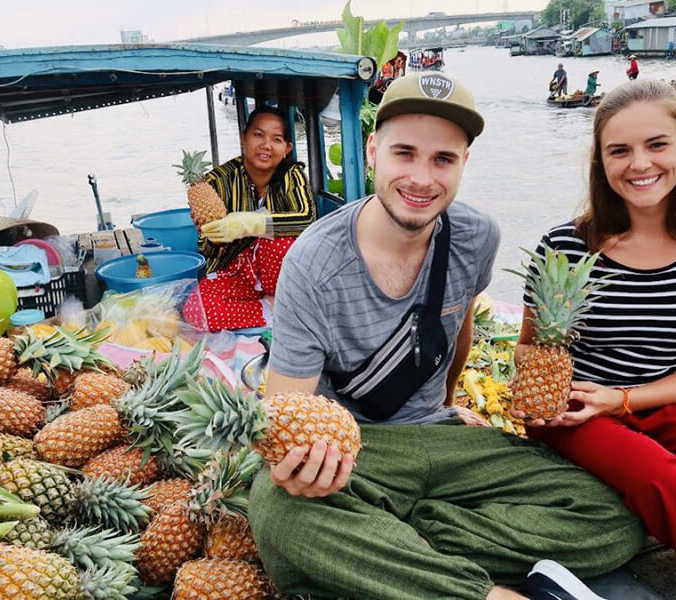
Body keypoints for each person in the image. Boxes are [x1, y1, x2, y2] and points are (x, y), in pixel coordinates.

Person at [248, 72, 644, 600]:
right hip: (361, 451)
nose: (421, 178)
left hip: (446, 438)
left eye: (443, 159)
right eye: (405, 153)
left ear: (463, 165)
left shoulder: (477, 236)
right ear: (372, 151)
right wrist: (299, 471)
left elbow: (457, 328)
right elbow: (284, 417)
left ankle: (397, 546)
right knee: (276, 508)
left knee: (611, 521)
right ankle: (486, 593)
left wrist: (451, 403)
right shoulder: (312, 264)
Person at [515, 79, 676, 600]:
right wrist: (554, 395)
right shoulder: (564, 245)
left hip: (667, 398)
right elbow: (528, 348)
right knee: (663, 478)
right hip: (577, 407)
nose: (639, 164)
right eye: (619, 150)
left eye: (657, 144)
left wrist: (623, 400)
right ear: (600, 162)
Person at [182, 106, 315, 331]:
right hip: (238, 270)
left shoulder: (292, 176)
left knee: (279, 240)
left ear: (287, 148)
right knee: (197, 311)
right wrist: (215, 238)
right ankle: (273, 309)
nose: (266, 145)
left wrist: (250, 223)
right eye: (258, 135)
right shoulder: (216, 182)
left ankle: (282, 301)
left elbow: (307, 217)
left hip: (283, 274)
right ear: (243, 138)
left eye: (277, 139)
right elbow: (207, 251)